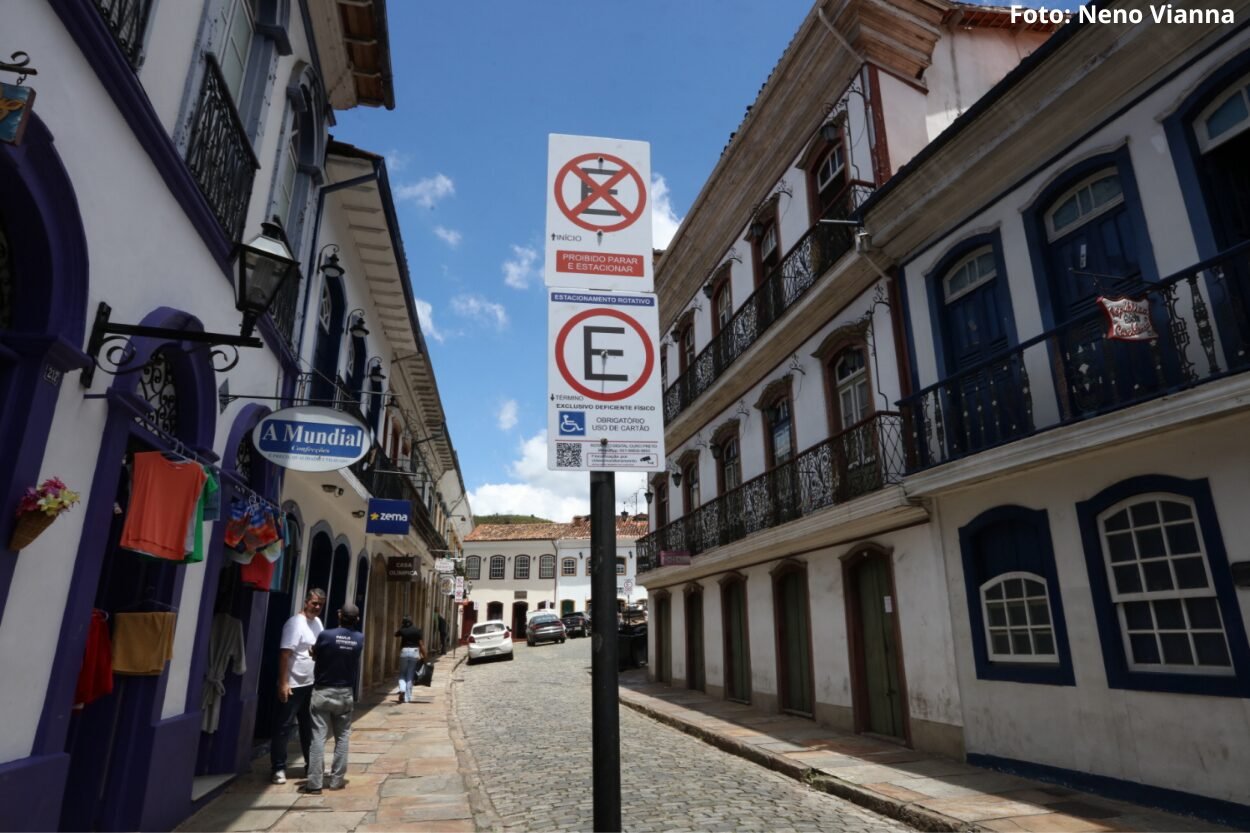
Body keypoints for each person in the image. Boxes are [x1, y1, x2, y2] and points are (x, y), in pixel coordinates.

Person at [300, 603, 364, 795]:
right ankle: (336, 781)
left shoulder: (326, 635)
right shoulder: (359, 638)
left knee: (318, 738)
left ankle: (314, 783)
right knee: (342, 737)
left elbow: (316, 654)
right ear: (357, 620)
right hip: (345, 693)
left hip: (323, 691)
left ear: (339, 615)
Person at [271, 588, 325, 785]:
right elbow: (285, 653)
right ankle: (278, 768)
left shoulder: (317, 623)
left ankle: (310, 764)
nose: (317, 607)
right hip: (293, 684)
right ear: (306, 601)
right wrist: (284, 683)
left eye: (320, 604)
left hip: (311, 684)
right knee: (283, 726)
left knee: (309, 727)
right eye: (314, 603)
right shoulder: (295, 623)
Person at [394, 616, 425, 704]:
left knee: (402, 673)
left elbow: (395, 634)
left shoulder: (403, 630)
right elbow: (421, 644)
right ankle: (408, 698)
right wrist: (425, 656)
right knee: (410, 675)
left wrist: (402, 628)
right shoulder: (417, 630)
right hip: (414, 652)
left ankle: (402, 689)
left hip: (404, 651)